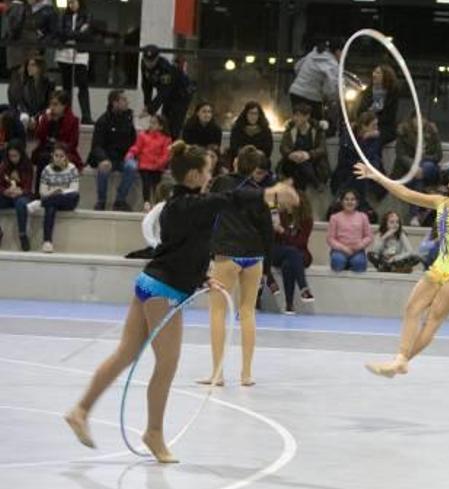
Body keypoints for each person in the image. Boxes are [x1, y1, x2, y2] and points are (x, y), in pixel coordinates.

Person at [64, 141, 297, 463]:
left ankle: (81, 410)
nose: (211, 176)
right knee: (166, 366)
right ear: (193, 175)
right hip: (164, 290)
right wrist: (270, 193)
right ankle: (153, 433)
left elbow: (183, 248)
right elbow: (231, 199)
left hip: (153, 283)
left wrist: (201, 277)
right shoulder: (187, 205)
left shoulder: (182, 204)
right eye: (207, 171)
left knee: (126, 354)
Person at [356, 145, 449, 377]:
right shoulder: (441, 202)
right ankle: (400, 360)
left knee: (433, 318)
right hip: (442, 265)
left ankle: (401, 361)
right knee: (412, 308)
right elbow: (407, 194)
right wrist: (376, 176)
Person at [197, 145, 276, 387]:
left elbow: (205, 207)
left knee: (218, 312)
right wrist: (268, 266)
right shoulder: (259, 193)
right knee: (248, 311)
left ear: (234, 163)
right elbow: (267, 231)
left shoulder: (221, 183)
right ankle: (246, 374)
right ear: (254, 170)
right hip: (254, 256)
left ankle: (218, 374)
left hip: (227, 254)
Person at [88, 90, 137, 211]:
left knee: (132, 166)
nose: (127, 102)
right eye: (124, 100)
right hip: (107, 157)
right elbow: (96, 145)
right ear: (115, 102)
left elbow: (134, 141)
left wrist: (132, 154)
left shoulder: (128, 120)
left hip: (123, 158)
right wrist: (103, 159)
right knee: (103, 167)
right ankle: (101, 201)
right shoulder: (103, 121)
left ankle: (120, 200)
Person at [393, 113, 442, 226]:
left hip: (430, 169)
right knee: (418, 180)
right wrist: (414, 166)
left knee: (426, 167)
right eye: (417, 118)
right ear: (412, 120)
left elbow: (438, 156)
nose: (420, 121)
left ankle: (414, 215)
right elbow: (401, 155)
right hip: (408, 170)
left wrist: (422, 159)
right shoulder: (403, 132)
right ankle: (415, 215)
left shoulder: (432, 132)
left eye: (423, 118)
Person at [271, 189, 316, 315]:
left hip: (299, 252)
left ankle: (289, 305)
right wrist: (275, 230)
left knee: (288, 263)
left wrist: (283, 232)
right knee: (291, 252)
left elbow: (300, 242)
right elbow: (272, 240)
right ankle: (303, 287)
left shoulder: (306, 220)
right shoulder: (278, 216)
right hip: (278, 251)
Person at [140, 44, 193, 139]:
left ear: (157, 58)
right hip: (168, 94)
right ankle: (164, 147)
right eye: (147, 61)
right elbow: (146, 85)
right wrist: (147, 104)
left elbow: (164, 92)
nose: (149, 64)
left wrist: (151, 109)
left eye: (152, 61)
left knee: (174, 124)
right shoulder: (144, 64)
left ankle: (172, 148)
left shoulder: (165, 68)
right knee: (164, 122)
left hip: (181, 94)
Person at [32, 90, 83, 184]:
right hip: (46, 149)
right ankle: (39, 192)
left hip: (65, 151)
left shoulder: (73, 120)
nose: (51, 107)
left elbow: (73, 143)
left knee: (50, 158)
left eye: (55, 104)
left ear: (64, 106)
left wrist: (58, 149)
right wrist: (46, 122)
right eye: (50, 104)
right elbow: (39, 136)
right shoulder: (46, 117)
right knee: (42, 157)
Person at [37, 143, 80, 253]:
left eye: (61, 156)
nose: (58, 158)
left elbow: (74, 189)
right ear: (52, 156)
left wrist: (60, 192)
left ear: (66, 157)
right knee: (50, 207)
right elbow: (42, 192)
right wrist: (53, 192)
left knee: (74, 196)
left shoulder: (72, 168)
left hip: (67, 201)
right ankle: (47, 242)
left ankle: (41, 203)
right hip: (52, 200)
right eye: (56, 155)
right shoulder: (47, 170)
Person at [55, 0, 92, 124]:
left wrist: (70, 35)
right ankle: (66, 115)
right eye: (69, 2)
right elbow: (59, 32)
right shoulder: (63, 15)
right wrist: (77, 33)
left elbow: (86, 35)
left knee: (83, 84)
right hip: (64, 53)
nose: (72, 5)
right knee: (66, 86)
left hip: (80, 53)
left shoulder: (87, 15)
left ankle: (86, 116)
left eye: (74, 2)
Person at [277, 103, 329, 191]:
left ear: (307, 116)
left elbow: (322, 149)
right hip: (292, 162)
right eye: (295, 115)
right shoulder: (290, 129)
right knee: (298, 164)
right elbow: (283, 147)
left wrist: (308, 154)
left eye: (299, 116)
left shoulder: (317, 130)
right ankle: (315, 183)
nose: (295, 119)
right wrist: (290, 154)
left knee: (302, 165)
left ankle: (300, 195)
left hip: (313, 162)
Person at [126, 114, 171, 212]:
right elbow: (137, 147)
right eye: (151, 122)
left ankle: (156, 204)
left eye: (154, 123)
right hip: (144, 165)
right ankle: (146, 202)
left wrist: (159, 164)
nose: (151, 125)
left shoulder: (166, 139)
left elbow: (166, 155)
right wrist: (131, 153)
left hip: (157, 167)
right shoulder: (143, 136)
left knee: (156, 183)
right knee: (146, 182)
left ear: (161, 126)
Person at [288, 38, 341, 121]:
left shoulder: (313, 53)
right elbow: (331, 87)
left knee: (298, 120)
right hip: (312, 97)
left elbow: (297, 67)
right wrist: (332, 98)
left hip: (296, 92)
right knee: (316, 124)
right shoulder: (332, 63)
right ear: (338, 51)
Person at [332, 111, 380, 200]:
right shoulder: (348, 135)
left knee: (362, 176)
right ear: (363, 126)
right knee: (357, 175)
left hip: (363, 174)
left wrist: (371, 167)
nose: (376, 128)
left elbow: (374, 156)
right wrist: (363, 139)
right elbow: (347, 157)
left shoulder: (373, 138)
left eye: (377, 125)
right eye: (373, 125)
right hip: (346, 172)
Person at [327, 189, 372, 273]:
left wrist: (358, 246)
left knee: (359, 264)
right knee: (337, 262)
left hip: (357, 251)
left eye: (352, 199)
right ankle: (344, 264)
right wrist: (343, 248)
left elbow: (369, 237)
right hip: (339, 251)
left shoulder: (363, 217)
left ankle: (350, 264)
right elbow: (330, 239)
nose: (349, 202)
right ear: (342, 202)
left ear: (357, 202)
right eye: (346, 199)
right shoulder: (335, 217)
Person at [0, 140, 33, 251]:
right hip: (8, 195)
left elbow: (28, 188)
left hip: (21, 195)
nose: (12, 158)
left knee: (21, 203)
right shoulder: (4, 165)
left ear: (21, 154)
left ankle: (22, 235)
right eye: (10, 156)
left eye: (15, 156)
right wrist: (5, 191)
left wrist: (20, 192)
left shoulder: (27, 166)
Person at [356, 64, 400, 146]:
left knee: (374, 139)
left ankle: (373, 159)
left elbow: (389, 117)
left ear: (385, 76)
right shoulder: (367, 92)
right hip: (366, 124)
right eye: (374, 72)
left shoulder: (392, 93)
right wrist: (367, 125)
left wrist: (373, 126)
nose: (374, 74)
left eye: (378, 73)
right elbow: (360, 111)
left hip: (384, 127)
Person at [7, 56, 53, 130]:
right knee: (24, 117)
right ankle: (23, 138)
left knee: (45, 116)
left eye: (32, 65)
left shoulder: (49, 83)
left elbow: (49, 103)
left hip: (41, 112)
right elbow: (21, 103)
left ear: (40, 67)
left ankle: (43, 138)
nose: (29, 67)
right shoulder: (24, 83)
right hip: (26, 112)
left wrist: (36, 116)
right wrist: (30, 117)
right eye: (28, 65)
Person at [4, 0, 27, 73]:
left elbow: (15, 27)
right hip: (16, 43)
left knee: (16, 70)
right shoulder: (19, 7)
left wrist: (10, 38)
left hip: (15, 44)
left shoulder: (16, 7)